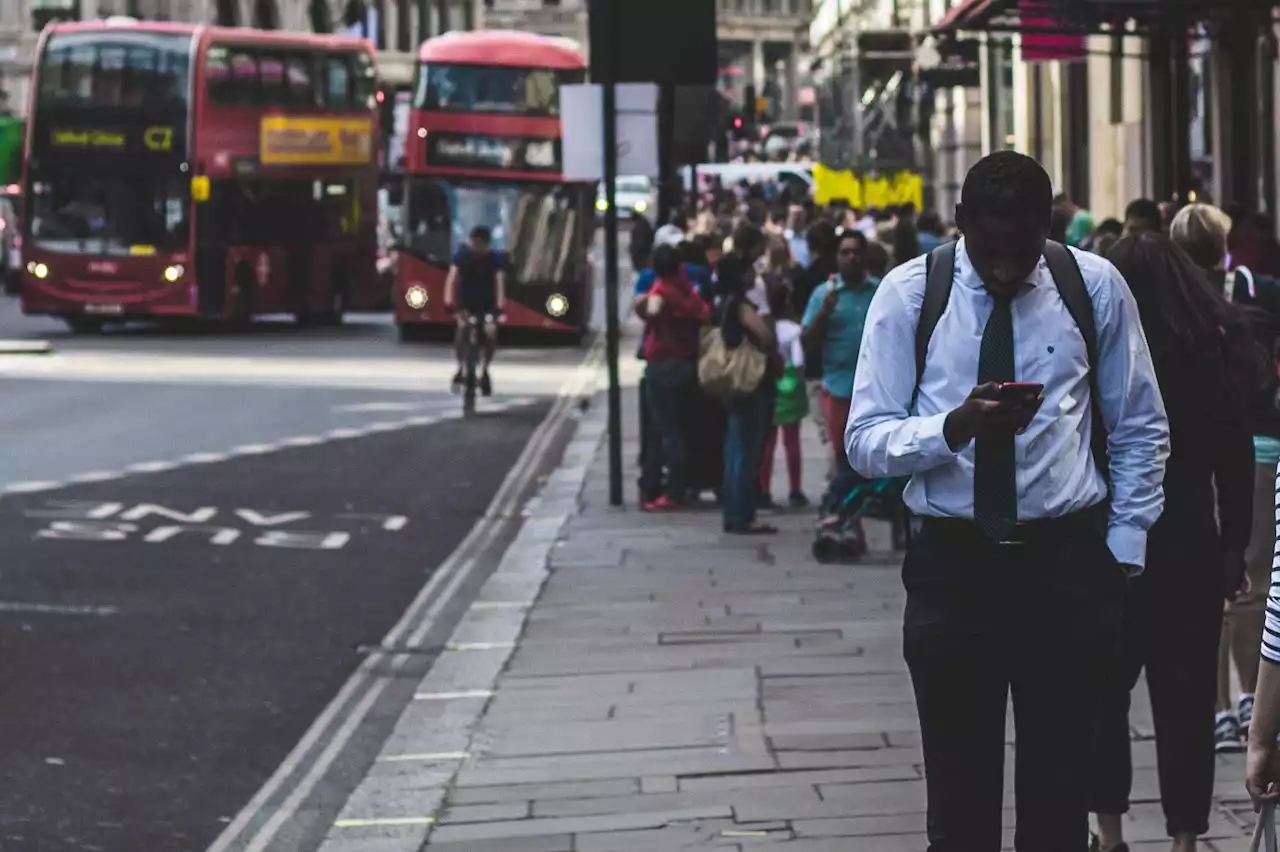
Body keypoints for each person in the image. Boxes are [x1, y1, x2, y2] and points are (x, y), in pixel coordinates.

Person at [846, 150, 1170, 851]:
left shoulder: (1094, 288)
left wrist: (1124, 548)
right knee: (959, 806)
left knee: (1058, 803)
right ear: (959, 222)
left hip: (1067, 569)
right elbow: (865, 439)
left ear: (1047, 227)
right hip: (954, 572)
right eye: (988, 249)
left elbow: (1140, 424)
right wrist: (953, 428)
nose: (1002, 267)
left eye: (1019, 250)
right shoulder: (910, 295)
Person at [1088, 233, 1262, 852]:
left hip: (1107, 546)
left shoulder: (1099, 352)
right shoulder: (1207, 354)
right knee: (1186, 706)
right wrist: (1232, 551)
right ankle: (1186, 836)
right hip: (1189, 543)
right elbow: (1235, 462)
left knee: (1102, 699)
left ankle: (1108, 832)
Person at [1167, 203, 1280, 755]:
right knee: (1246, 582)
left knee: (1227, 585)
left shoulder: (1174, 304)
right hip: (1247, 446)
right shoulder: (1238, 296)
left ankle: (1229, 703)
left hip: (1212, 453)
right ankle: (1243, 700)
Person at [636, 244, 711, 512]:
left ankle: (672, 491)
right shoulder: (686, 290)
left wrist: (642, 306)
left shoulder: (662, 290)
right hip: (686, 363)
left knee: (665, 431)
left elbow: (654, 310)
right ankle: (682, 485)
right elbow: (703, 312)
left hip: (663, 365)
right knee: (679, 429)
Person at [715, 250, 778, 535]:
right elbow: (764, 336)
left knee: (734, 448)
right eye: (750, 269)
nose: (755, 274)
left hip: (730, 382)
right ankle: (744, 514)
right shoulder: (741, 305)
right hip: (750, 382)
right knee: (747, 450)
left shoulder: (720, 301)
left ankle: (733, 512)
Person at [759, 281, 809, 509]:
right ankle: (795, 489)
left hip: (770, 384)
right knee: (792, 442)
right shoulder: (793, 330)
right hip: (790, 386)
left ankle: (764, 489)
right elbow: (798, 362)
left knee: (767, 443)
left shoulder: (764, 328)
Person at [443, 225, 506, 395]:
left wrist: (499, 308)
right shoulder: (462, 256)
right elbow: (452, 278)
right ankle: (460, 367)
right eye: (475, 243)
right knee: (462, 329)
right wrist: (449, 302)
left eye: (481, 244)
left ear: (487, 245)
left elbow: (499, 282)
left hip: (487, 306)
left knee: (491, 332)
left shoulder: (495, 259)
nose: (477, 247)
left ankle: (485, 369)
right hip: (466, 305)